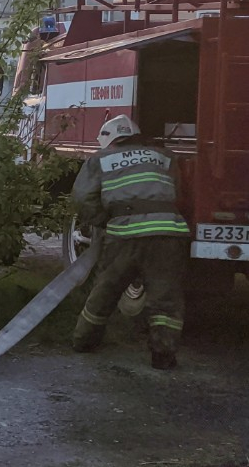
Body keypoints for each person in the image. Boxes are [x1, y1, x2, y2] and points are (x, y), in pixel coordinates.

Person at [70, 114, 190, 370]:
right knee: (165, 297)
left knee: (106, 289)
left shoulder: (99, 160)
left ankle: (83, 341)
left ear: (110, 140)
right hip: (167, 233)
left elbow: (82, 198)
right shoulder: (165, 156)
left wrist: (102, 220)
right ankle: (163, 355)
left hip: (124, 235)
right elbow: (177, 194)